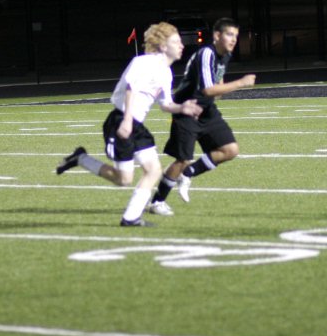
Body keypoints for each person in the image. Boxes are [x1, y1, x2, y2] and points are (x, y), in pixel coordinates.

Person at [55, 22, 202, 227]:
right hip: (121, 120)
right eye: (176, 41)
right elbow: (131, 88)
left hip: (137, 125)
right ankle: (81, 159)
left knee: (153, 170)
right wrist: (126, 120)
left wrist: (182, 107)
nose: (182, 45)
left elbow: (166, 105)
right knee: (123, 179)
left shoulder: (166, 72)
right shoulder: (144, 62)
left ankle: (131, 218)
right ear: (162, 45)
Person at [148, 17, 256, 216]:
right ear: (217, 35)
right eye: (229, 34)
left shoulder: (225, 55)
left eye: (236, 36)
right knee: (182, 159)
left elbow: (217, 85)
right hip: (187, 109)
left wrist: (221, 87)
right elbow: (207, 89)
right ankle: (157, 201)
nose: (234, 39)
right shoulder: (207, 53)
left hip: (206, 110)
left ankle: (188, 174)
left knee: (230, 149)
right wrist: (240, 83)